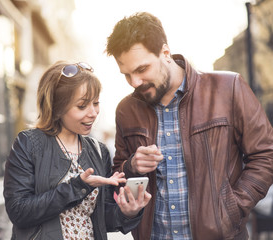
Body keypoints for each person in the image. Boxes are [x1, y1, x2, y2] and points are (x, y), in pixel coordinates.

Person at [105, 12, 273, 240]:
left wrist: (233, 207)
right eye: (127, 75)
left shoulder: (228, 88)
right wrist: (132, 166)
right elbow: (116, 177)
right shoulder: (126, 109)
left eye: (142, 69)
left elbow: (265, 154)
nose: (134, 82)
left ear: (165, 53)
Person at [3, 61, 151, 240]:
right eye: (82, 106)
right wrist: (78, 187)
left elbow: (102, 219)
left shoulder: (98, 151)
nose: (93, 113)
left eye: (96, 103)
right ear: (57, 107)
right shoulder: (29, 143)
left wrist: (128, 212)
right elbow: (19, 211)